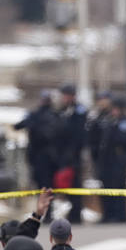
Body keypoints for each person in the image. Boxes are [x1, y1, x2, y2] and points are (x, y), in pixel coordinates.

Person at [14, 90, 61, 198]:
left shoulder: (49, 116)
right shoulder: (44, 115)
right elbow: (18, 126)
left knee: (44, 185)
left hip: (45, 156)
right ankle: (45, 211)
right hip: (41, 156)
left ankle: (46, 211)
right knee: (45, 185)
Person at [53, 84, 88, 224]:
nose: (64, 98)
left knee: (75, 184)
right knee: (65, 184)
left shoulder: (79, 111)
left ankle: (76, 214)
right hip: (63, 153)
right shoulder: (62, 110)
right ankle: (72, 212)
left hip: (74, 154)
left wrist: (73, 153)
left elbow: (78, 134)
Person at [96, 97, 126, 224]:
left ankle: (120, 215)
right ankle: (108, 214)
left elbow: (122, 140)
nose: (113, 111)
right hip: (107, 161)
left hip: (119, 160)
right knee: (106, 188)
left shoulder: (124, 123)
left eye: (116, 109)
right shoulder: (110, 121)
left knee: (118, 189)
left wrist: (114, 128)